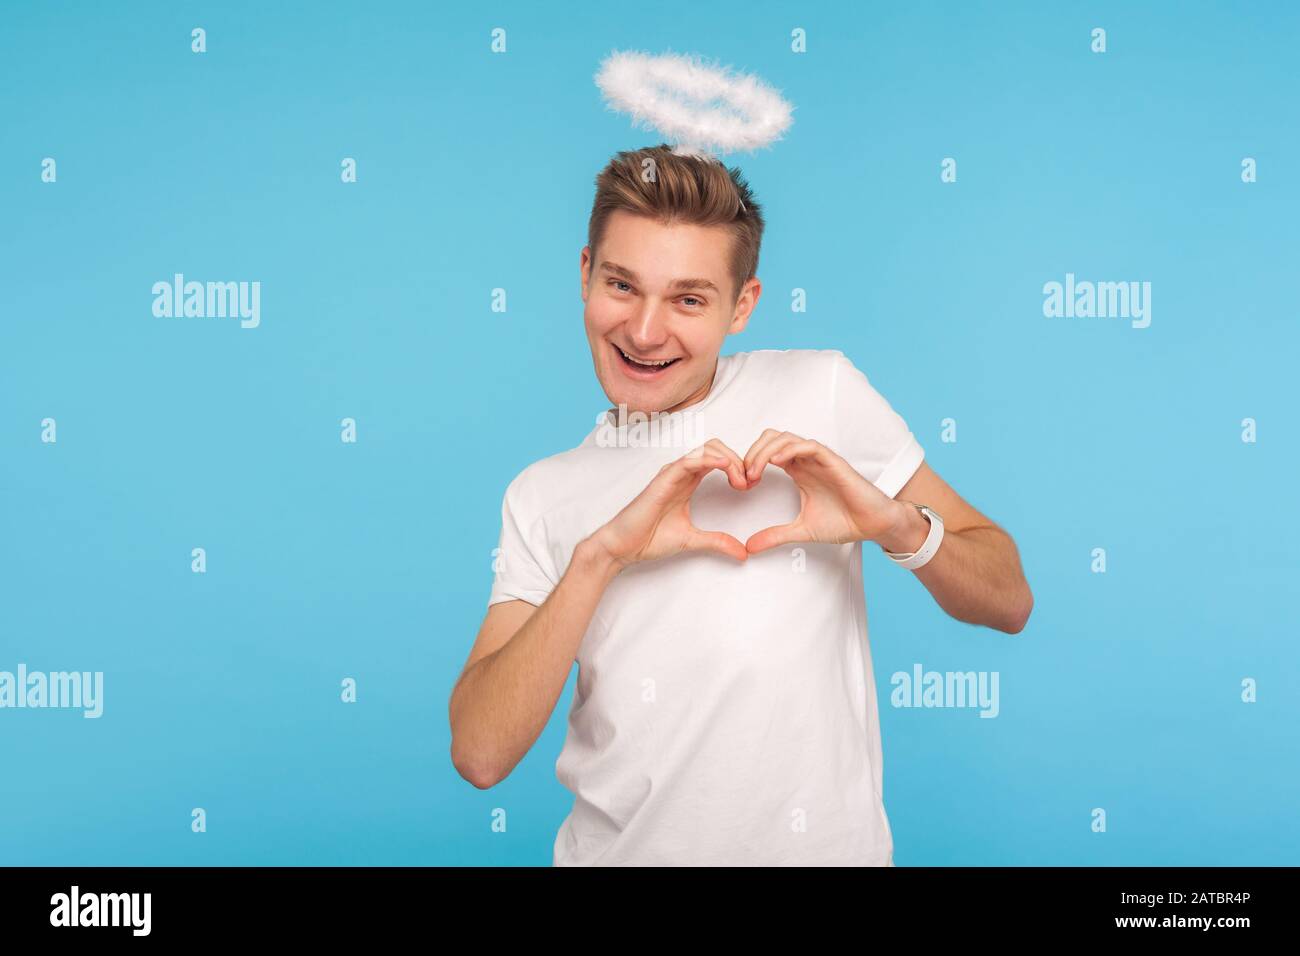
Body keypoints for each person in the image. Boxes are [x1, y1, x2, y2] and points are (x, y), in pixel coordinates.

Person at [448, 143, 1033, 866]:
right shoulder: (543, 493)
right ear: (585, 275)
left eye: (688, 299)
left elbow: (1008, 599)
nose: (644, 330)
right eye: (622, 286)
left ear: (742, 306)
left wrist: (893, 524)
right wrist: (599, 557)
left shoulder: (822, 393)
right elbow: (479, 753)